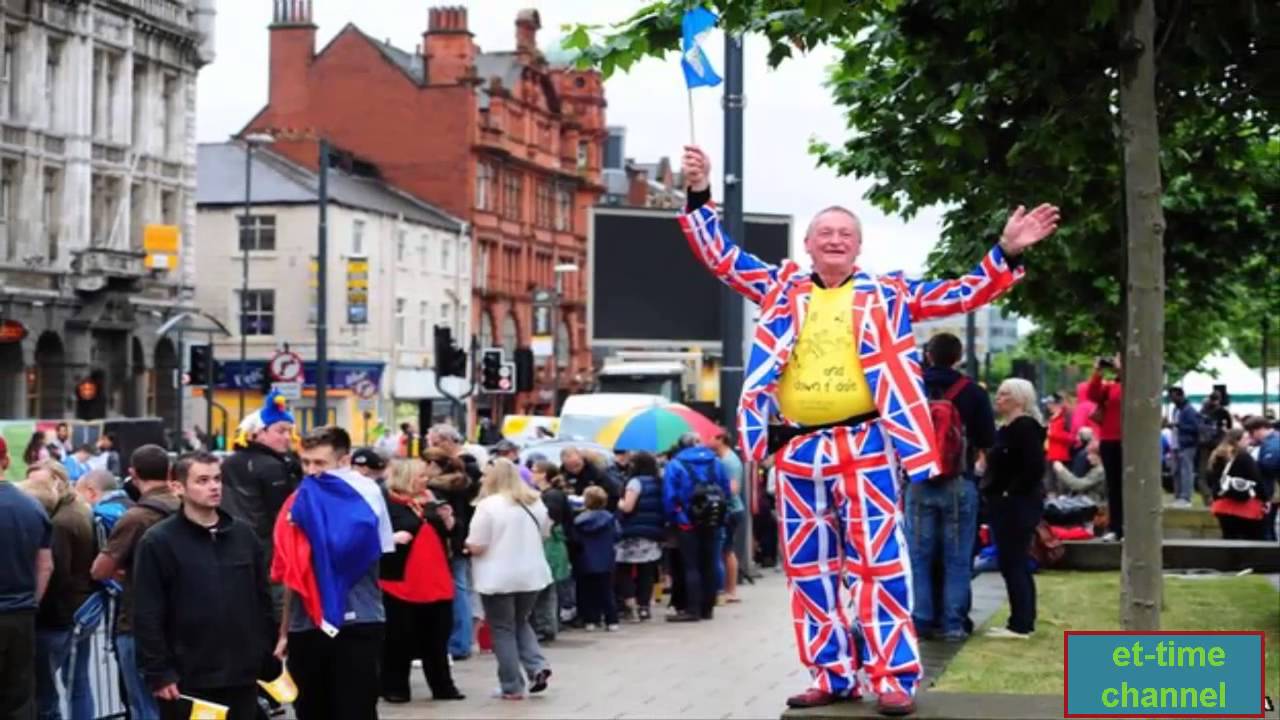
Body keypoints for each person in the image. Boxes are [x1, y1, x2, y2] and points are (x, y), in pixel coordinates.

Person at [678, 144, 1058, 713]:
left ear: (859, 246)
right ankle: (830, 673)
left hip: (868, 444)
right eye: (824, 233)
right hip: (800, 447)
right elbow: (722, 258)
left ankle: (892, 677)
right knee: (809, 566)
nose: (834, 240)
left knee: (879, 561)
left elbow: (961, 291)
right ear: (807, 245)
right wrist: (700, 193)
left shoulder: (889, 293)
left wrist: (1004, 251)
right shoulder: (782, 288)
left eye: (844, 234)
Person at [132, 452, 275, 720]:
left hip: (242, 674)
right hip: (189, 677)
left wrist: (265, 653)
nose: (214, 486)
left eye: (218, 479)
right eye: (203, 480)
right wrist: (159, 672)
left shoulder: (243, 535)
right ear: (178, 487)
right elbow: (147, 612)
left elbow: (261, 599)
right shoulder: (158, 542)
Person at [272, 426, 394, 720]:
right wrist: (285, 630)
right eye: (306, 462)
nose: (312, 471)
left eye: (320, 463)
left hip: (357, 620)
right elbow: (293, 571)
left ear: (344, 460)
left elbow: (363, 549)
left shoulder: (365, 494)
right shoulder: (301, 497)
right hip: (307, 623)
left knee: (356, 709)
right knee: (311, 710)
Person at [908, 332, 995, 642]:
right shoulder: (973, 392)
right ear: (958, 357)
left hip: (918, 481)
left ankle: (920, 619)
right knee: (958, 557)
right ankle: (954, 623)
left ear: (928, 355)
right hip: (960, 480)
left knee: (919, 557)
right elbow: (987, 439)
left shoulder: (911, 387)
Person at [90, 445, 179, 720]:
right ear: (169, 472)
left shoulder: (137, 517)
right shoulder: (185, 508)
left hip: (137, 621)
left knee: (144, 705)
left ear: (132, 473)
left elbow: (100, 570)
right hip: (182, 619)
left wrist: (129, 571)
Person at [465, 458, 553, 700]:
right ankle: (537, 666)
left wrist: (466, 547)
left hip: (498, 576)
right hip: (531, 574)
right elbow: (545, 533)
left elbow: (478, 544)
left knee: (502, 628)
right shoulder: (535, 502)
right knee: (520, 621)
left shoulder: (488, 505)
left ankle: (511, 685)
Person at [378, 459, 463, 703]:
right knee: (398, 639)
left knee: (437, 638)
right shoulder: (387, 503)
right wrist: (391, 538)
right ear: (406, 478)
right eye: (421, 476)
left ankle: (443, 686)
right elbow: (371, 533)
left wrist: (449, 522)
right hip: (401, 581)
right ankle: (395, 687)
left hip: (436, 579)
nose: (426, 480)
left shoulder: (432, 499)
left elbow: (452, 533)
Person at [26, 461, 95, 720]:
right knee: (76, 682)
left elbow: (55, 572)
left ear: (57, 482)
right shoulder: (76, 509)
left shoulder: (61, 522)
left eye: (40, 485)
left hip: (61, 614)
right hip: (79, 609)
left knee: (48, 691)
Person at [981, 379, 1047, 640]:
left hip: (1017, 503)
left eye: (1005, 394)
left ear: (1020, 399)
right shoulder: (1005, 429)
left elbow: (1034, 467)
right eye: (998, 394)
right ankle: (1018, 618)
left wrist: (1011, 492)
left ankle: (1022, 622)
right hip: (1002, 501)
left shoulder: (1025, 428)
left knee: (1015, 561)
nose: (999, 398)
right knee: (1009, 562)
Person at [220, 391, 303, 581]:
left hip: (231, 543)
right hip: (269, 549)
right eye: (281, 431)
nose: (288, 437)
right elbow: (283, 513)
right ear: (258, 433)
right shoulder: (273, 466)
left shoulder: (230, 462)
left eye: (290, 432)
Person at [1, 448, 54, 720]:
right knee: (20, 698)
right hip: (21, 614)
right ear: (7, 462)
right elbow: (45, 565)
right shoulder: (31, 505)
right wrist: (31, 600)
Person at [427, 423, 482, 660]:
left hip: (452, 542)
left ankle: (459, 642)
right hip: (462, 539)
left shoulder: (443, 487)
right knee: (462, 588)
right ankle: (464, 640)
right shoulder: (463, 480)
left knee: (458, 590)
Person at [662, 432, 730, 624]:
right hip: (713, 520)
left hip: (687, 522)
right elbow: (725, 490)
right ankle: (708, 608)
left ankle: (692, 609)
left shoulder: (675, 465)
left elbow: (669, 497)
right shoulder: (716, 462)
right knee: (709, 563)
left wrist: (676, 517)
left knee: (691, 566)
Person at [615, 452, 664, 622]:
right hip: (652, 531)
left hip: (631, 531)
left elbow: (628, 507)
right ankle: (645, 607)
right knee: (647, 571)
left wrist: (618, 502)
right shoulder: (659, 482)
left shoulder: (635, 483)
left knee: (624, 569)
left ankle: (631, 605)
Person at [530, 460, 573, 638]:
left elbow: (551, 519)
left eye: (535, 471)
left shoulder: (551, 496)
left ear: (544, 474)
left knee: (549, 586)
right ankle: (548, 623)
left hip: (552, 543)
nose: (532, 474)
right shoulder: (549, 494)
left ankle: (547, 624)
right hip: (552, 542)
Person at [1086, 354, 1124, 541]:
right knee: (1114, 485)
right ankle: (1116, 527)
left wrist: (1121, 370)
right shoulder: (1110, 387)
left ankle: (1128, 526)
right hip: (1109, 439)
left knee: (1129, 486)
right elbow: (1092, 394)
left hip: (1129, 440)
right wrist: (1098, 371)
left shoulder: (1134, 384)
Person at [1206, 428, 1267, 540]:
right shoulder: (1244, 457)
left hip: (1222, 506)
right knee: (1251, 542)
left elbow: (1210, 479)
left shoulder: (1216, 456)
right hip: (1244, 507)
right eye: (1246, 438)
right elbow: (1256, 480)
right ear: (1237, 440)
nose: (1249, 441)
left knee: (1229, 540)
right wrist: (1265, 499)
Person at [573, 486, 619, 631]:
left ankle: (590, 620)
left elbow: (576, 540)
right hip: (606, 559)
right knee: (606, 590)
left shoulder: (579, 521)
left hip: (585, 559)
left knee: (586, 591)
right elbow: (618, 534)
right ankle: (612, 620)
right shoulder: (609, 518)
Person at [706, 432, 745, 604]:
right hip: (731, 509)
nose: (708, 440)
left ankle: (730, 590)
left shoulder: (729, 461)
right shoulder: (725, 459)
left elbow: (734, 488)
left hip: (731, 509)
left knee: (727, 550)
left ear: (720, 439)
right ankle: (730, 589)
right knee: (726, 550)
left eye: (711, 437)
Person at [1243, 416, 1279, 542]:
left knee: (1267, 526)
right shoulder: (1273, 440)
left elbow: (1270, 464)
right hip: (1272, 489)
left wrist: (1253, 464)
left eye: (1252, 433)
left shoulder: (1273, 443)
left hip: (1272, 489)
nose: (1252, 437)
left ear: (1260, 429)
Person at [1169, 388, 1202, 509]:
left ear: (1180, 396)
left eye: (1174, 396)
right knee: (1176, 471)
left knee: (1186, 471)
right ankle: (1178, 496)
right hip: (1176, 444)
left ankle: (1186, 497)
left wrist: (1178, 425)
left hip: (1187, 445)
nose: (1172, 399)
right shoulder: (1176, 409)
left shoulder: (1189, 410)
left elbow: (1196, 428)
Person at [1044, 393, 1075, 493]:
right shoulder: (1052, 418)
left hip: (1060, 455)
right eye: (1048, 404)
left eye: (1051, 403)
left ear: (1057, 404)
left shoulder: (1065, 418)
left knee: (1061, 482)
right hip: (1050, 454)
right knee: (1050, 482)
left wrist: (1052, 434)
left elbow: (1071, 437)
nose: (1048, 406)